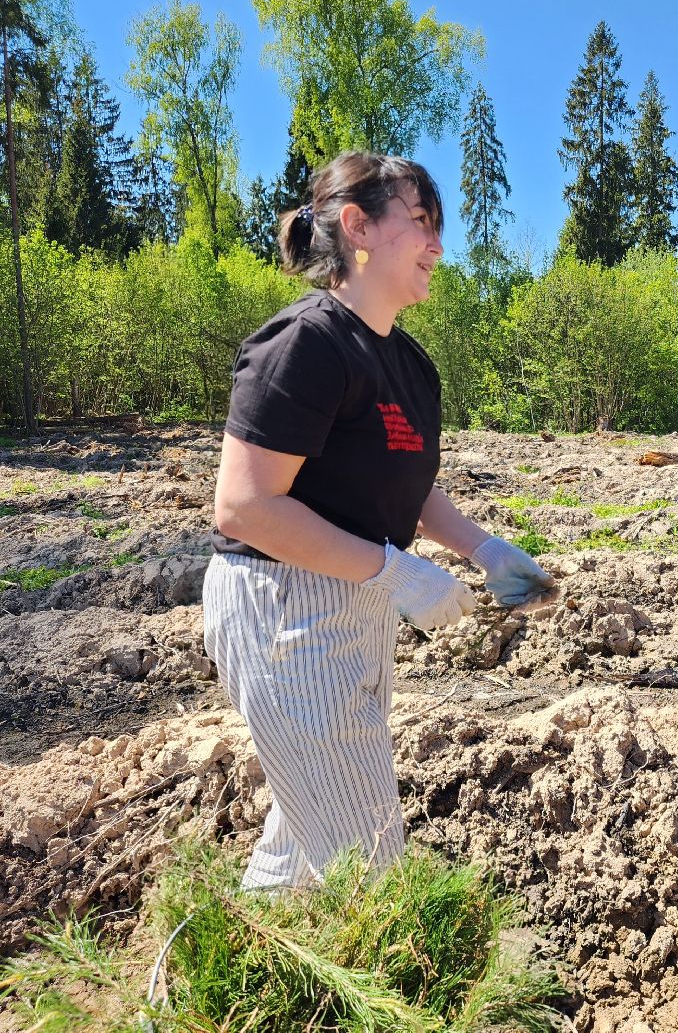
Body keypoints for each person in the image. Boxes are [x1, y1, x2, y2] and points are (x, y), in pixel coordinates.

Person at [203, 151, 553, 890]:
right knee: (366, 859)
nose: (437, 245)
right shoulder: (304, 345)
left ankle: (246, 974)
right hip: (285, 605)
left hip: (354, 601)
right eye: (421, 221)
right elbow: (244, 507)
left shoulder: (410, 365)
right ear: (357, 227)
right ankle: (375, 995)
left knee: (306, 842)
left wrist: (482, 548)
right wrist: (396, 570)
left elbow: (405, 485)